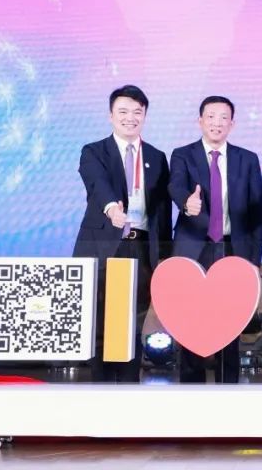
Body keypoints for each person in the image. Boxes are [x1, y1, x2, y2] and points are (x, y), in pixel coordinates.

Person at [73, 85, 172, 383]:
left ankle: (129, 384)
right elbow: (97, 183)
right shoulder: (94, 151)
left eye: (137, 112)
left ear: (145, 115)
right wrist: (111, 208)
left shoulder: (156, 156)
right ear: (111, 115)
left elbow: (162, 210)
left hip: (140, 247)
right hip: (104, 245)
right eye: (123, 112)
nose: (130, 118)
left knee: (135, 319)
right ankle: (101, 384)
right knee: (101, 319)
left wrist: (164, 255)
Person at [168, 95, 262, 383]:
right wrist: (187, 203)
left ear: (232, 124)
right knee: (191, 321)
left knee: (230, 322)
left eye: (224, 117)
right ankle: (191, 387)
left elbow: (257, 213)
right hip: (194, 249)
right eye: (211, 116)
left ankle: (228, 387)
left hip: (233, 249)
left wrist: (253, 260)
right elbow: (175, 185)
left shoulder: (247, 159)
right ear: (200, 121)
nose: (217, 123)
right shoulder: (182, 154)